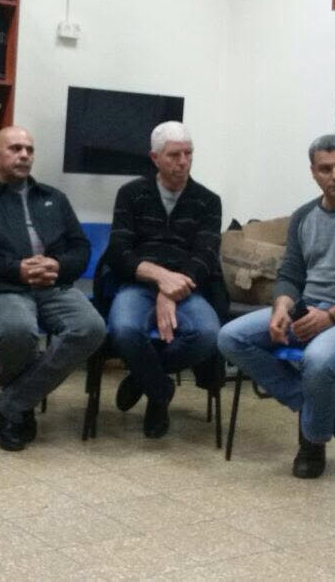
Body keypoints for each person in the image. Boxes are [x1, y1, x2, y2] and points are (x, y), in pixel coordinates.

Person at [218, 134, 335, 479]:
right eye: (326, 169)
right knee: (230, 337)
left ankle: (313, 442)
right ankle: (318, 404)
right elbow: (290, 274)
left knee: (317, 359)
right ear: (313, 173)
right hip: (308, 310)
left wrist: (330, 317)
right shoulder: (304, 216)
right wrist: (281, 306)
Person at [0, 126, 106, 451]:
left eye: (29, 150)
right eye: (15, 148)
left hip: (52, 286)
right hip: (0, 288)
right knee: (18, 328)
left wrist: (57, 265)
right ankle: (19, 410)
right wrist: (15, 269)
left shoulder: (53, 198)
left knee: (91, 327)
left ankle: (12, 404)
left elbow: (80, 248)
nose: (24, 155)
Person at [100, 121, 226, 438]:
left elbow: (205, 256)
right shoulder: (131, 194)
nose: (183, 162)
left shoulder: (208, 201)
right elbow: (118, 251)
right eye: (174, 155)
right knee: (124, 330)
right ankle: (160, 390)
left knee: (208, 335)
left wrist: (170, 291)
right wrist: (160, 278)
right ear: (155, 158)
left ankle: (143, 377)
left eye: (188, 153)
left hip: (188, 288)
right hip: (138, 285)